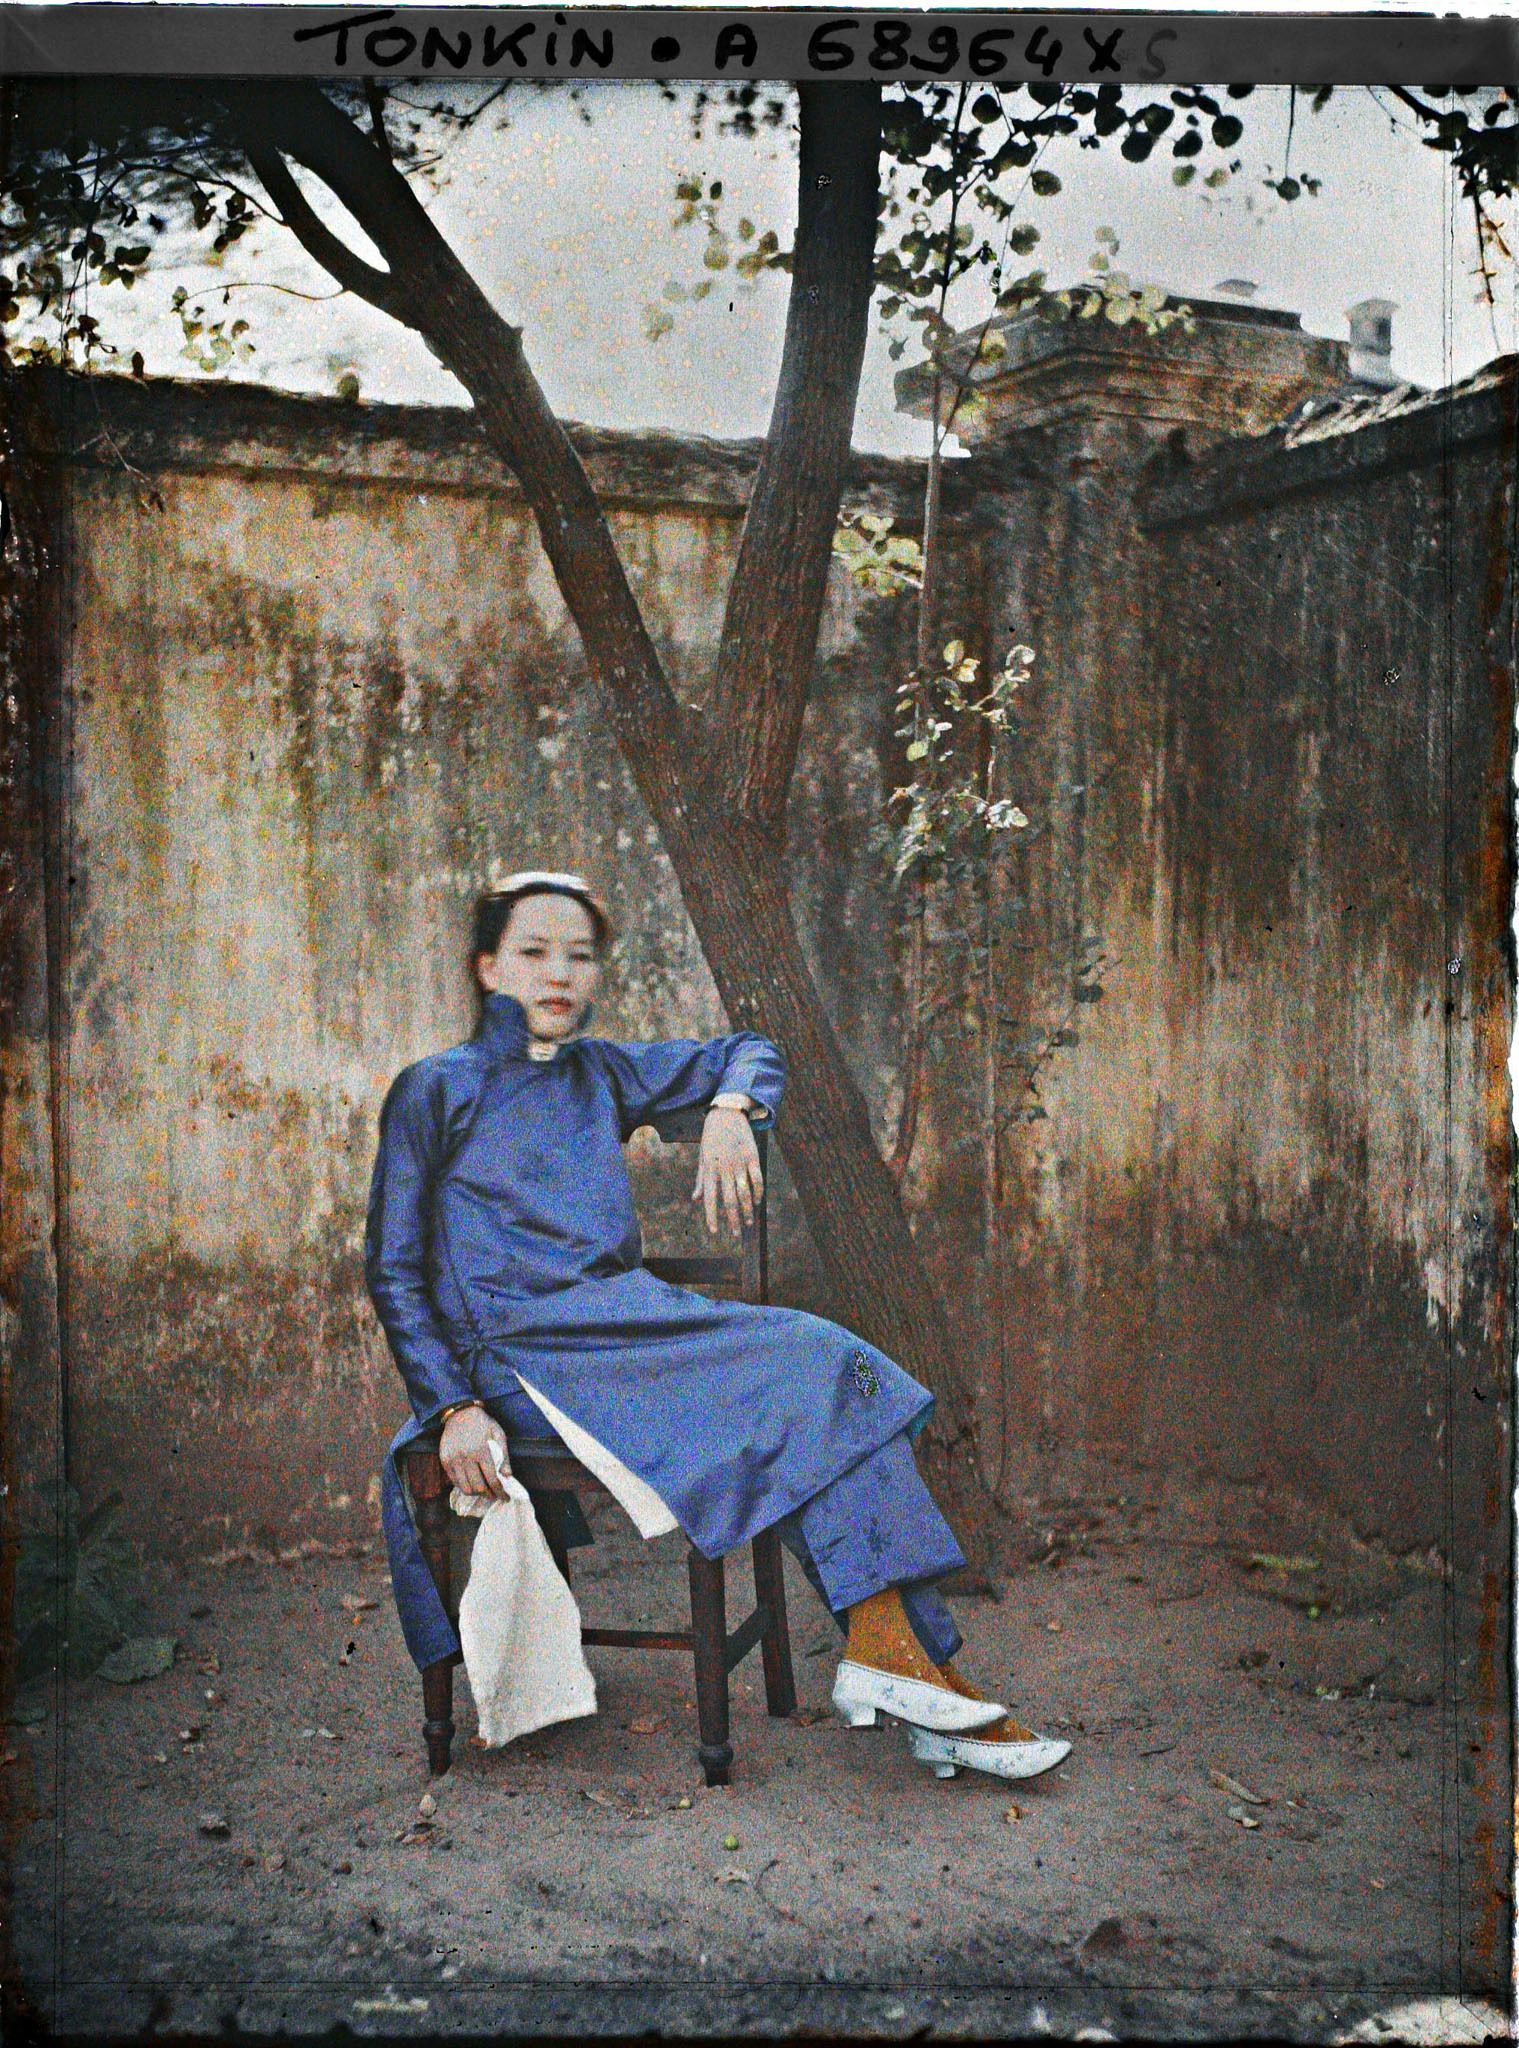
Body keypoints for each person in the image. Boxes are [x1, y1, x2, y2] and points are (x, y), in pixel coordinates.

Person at [368, 869, 1070, 1782]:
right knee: (820, 1369)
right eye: (534, 953)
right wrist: (453, 1404)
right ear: (487, 967)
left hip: (631, 1338)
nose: (559, 975)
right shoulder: (433, 1089)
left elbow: (749, 1047)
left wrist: (733, 1109)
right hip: (527, 1365)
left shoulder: (600, 1073)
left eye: (579, 957)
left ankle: (907, 1662)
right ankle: (904, 1663)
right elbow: (392, 1267)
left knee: (831, 1379)